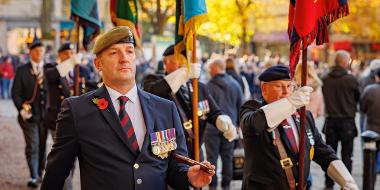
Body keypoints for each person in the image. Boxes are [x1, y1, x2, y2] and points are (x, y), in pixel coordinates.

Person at [41, 26, 214, 190]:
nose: (124, 58)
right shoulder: (77, 110)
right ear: (98, 63)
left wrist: (189, 178)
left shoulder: (165, 109)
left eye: (129, 51)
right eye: (114, 53)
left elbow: (174, 168)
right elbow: (56, 173)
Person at [239, 65, 358, 190]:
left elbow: (322, 152)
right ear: (264, 89)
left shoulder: (303, 116)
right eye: (279, 86)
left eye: (290, 86)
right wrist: (290, 103)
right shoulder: (252, 108)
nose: (286, 92)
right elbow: (252, 125)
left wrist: (347, 181)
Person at [143, 45, 237, 160]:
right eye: (178, 61)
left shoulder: (199, 87)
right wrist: (183, 73)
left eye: (186, 62)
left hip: (195, 151)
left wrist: (221, 119)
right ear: (165, 62)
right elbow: (153, 92)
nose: (183, 65)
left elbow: (213, 112)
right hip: (170, 154)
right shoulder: (154, 81)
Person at [43, 42, 81, 190]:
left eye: (71, 54)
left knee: (72, 161)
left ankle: (62, 185)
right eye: (66, 54)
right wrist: (71, 62)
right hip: (57, 120)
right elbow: (51, 75)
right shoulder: (51, 67)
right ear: (60, 55)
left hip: (77, 122)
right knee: (62, 158)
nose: (70, 56)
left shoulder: (79, 70)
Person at [11, 41, 48, 188]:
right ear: (31, 52)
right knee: (33, 145)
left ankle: (40, 173)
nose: (39, 53)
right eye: (37, 51)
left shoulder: (49, 69)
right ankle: (33, 176)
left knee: (42, 146)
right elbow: (16, 93)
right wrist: (22, 109)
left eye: (41, 50)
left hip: (45, 117)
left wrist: (72, 61)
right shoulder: (22, 70)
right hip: (29, 116)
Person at [321, 50, 360, 190]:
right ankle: (347, 184)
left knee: (329, 156)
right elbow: (357, 97)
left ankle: (328, 184)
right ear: (345, 62)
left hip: (331, 120)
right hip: (347, 122)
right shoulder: (351, 79)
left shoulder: (325, 78)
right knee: (347, 156)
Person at [205, 58, 244, 190]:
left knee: (211, 159)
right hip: (230, 128)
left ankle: (213, 185)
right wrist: (238, 125)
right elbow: (241, 107)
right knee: (227, 158)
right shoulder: (235, 84)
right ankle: (226, 185)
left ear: (215, 69)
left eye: (210, 69)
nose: (209, 71)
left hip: (211, 129)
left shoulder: (208, 86)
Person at [360, 67, 380, 175]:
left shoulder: (370, 90)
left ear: (377, 77)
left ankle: (372, 176)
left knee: (371, 158)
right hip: (372, 129)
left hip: (372, 128)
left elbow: (362, 108)